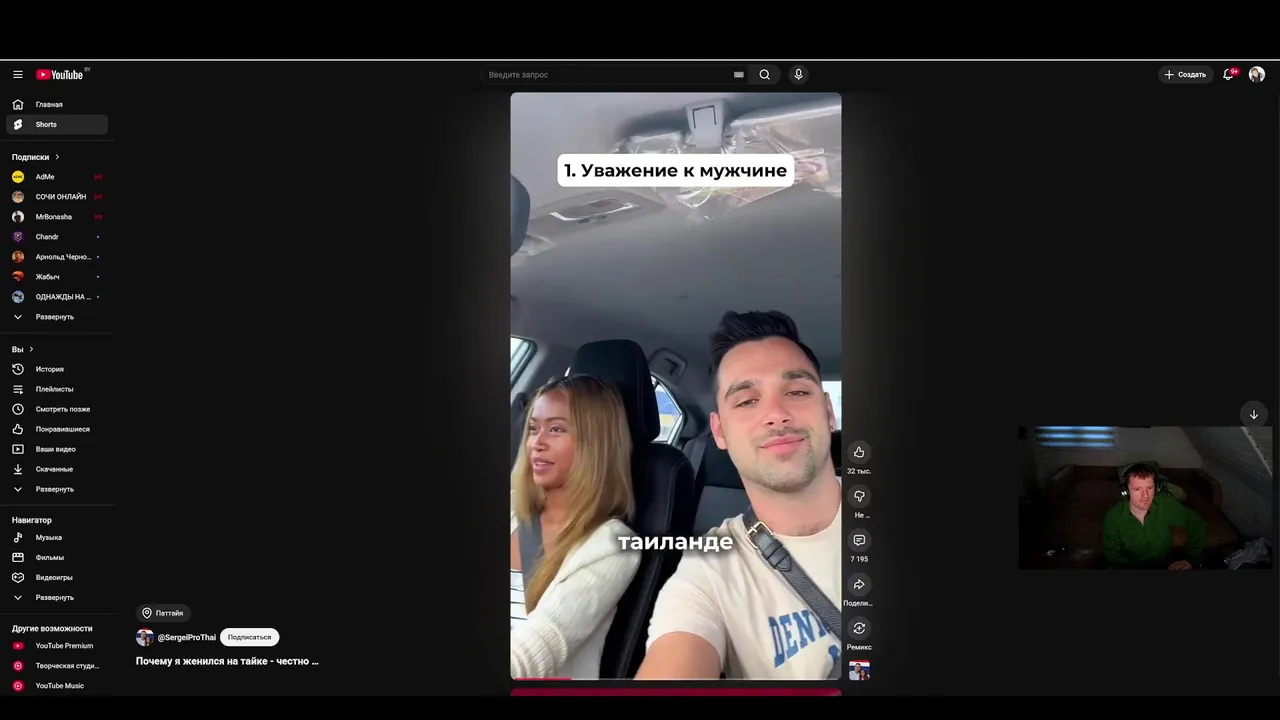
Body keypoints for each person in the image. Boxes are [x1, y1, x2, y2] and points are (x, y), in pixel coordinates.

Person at [637, 310, 841, 680]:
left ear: (828, 412)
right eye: (747, 401)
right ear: (719, 432)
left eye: (797, 392)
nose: (776, 414)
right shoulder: (707, 575)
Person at [509, 374, 641, 679]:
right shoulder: (512, 508)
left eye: (556, 429)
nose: (537, 443)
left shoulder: (612, 546)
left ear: (595, 444)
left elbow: (538, 648)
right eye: (533, 429)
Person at [1102, 463, 1207, 570]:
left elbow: (1197, 524)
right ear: (1126, 492)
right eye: (1137, 489)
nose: (1145, 495)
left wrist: (1190, 559)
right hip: (1130, 567)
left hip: (1165, 564)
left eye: (1150, 488)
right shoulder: (1113, 516)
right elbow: (1112, 554)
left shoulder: (1166, 504)